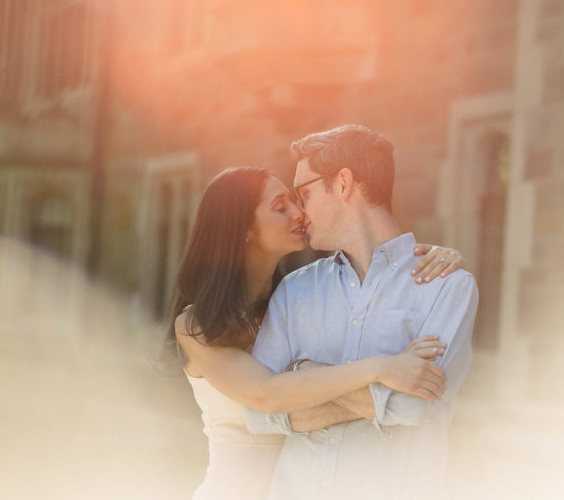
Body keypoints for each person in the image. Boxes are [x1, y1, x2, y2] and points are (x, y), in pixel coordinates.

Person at [164, 165, 467, 500]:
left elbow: (324, 399)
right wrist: (383, 370)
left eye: (297, 201)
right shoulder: (196, 327)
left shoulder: (296, 303)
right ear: (242, 228)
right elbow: (266, 395)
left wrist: (420, 261)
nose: (299, 213)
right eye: (281, 208)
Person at [244, 125, 479, 499]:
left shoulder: (447, 286)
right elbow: (258, 412)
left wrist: (304, 377)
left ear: (342, 183)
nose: (300, 213)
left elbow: (416, 407)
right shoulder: (294, 290)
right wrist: (380, 382)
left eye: (304, 193)